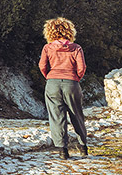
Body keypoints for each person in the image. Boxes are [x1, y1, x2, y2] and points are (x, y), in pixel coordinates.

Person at [38, 17, 88, 159]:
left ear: (49, 32)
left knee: (57, 116)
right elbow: (82, 67)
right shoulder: (76, 48)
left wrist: (49, 76)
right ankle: (83, 146)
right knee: (76, 115)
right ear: (69, 31)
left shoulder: (47, 48)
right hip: (71, 82)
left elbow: (42, 65)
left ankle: (62, 150)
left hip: (52, 82)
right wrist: (76, 78)